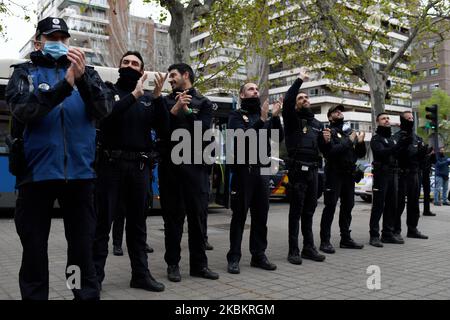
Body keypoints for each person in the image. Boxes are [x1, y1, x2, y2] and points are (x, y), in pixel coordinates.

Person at [5, 17, 112, 300]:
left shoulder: (87, 73)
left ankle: (81, 295)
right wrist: (64, 86)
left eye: (64, 38)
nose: (60, 43)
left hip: (80, 177)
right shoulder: (24, 73)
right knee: (35, 251)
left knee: (80, 250)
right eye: (53, 38)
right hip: (35, 176)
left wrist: (82, 79)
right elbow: (23, 111)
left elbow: (103, 110)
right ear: (39, 40)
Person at [92, 51, 167, 292]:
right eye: (126, 62)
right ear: (119, 66)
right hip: (110, 167)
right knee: (102, 225)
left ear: (142, 71)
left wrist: (157, 98)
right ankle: (94, 278)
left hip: (139, 169)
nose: (130, 66)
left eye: (135, 64)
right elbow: (105, 118)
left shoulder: (148, 100)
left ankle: (140, 276)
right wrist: (134, 95)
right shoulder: (107, 91)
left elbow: (165, 130)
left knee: (138, 226)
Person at [158, 63, 219, 282]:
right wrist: (174, 111)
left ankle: (199, 266)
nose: (170, 79)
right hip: (171, 170)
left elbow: (204, 131)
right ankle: (172, 265)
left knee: (198, 219)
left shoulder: (204, 103)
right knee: (173, 220)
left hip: (196, 171)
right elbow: (162, 132)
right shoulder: (165, 102)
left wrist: (187, 111)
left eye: (173, 75)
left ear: (186, 75)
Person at [226, 83, 284, 274]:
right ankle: (234, 257)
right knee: (239, 216)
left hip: (262, 170)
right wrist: (262, 119)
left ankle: (258, 255)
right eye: (251, 89)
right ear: (242, 94)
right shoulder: (236, 116)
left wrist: (275, 118)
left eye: (257, 90)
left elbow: (278, 139)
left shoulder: (265, 115)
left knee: (261, 216)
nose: (256, 92)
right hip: (244, 170)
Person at [282, 67, 331, 265]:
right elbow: (287, 101)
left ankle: (308, 248)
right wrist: (299, 80)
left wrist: (326, 142)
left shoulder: (318, 124)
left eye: (306, 98)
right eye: (300, 98)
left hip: (313, 171)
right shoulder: (292, 120)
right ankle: (293, 250)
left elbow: (325, 151)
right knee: (295, 212)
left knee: (309, 211)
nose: (304, 100)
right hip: (297, 171)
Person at [319, 104, 366, 254]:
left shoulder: (348, 133)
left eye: (340, 111)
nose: (339, 112)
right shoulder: (328, 132)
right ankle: (325, 241)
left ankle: (345, 238)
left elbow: (360, 154)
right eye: (335, 111)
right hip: (334, 174)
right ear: (330, 117)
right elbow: (331, 152)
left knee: (348, 206)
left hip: (348, 175)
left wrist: (360, 142)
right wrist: (349, 141)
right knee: (330, 206)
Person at [368, 113, 409, 247]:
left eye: (387, 118)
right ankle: (374, 236)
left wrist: (404, 144)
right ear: (378, 122)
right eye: (383, 119)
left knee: (392, 205)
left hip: (393, 174)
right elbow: (382, 153)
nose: (386, 120)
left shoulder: (392, 139)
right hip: (381, 174)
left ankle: (387, 234)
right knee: (378, 206)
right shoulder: (376, 139)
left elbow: (397, 154)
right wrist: (398, 146)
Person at [393, 111, 429, 240]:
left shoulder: (417, 138)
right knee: (399, 204)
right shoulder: (397, 137)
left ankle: (412, 229)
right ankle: (396, 231)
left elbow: (420, 159)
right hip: (402, 174)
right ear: (402, 120)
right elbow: (395, 155)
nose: (411, 120)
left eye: (412, 118)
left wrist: (424, 153)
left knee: (414, 204)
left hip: (415, 174)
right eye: (408, 118)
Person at [420, 146, 436, 216]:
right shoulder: (422, 151)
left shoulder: (431, 152)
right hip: (420, 173)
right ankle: (415, 211)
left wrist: (433, 154)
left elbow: (434, 161)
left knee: (427, 193)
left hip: (426, 175)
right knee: (416, 193)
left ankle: (426, 210)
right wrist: (429, 155)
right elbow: (422, 160)